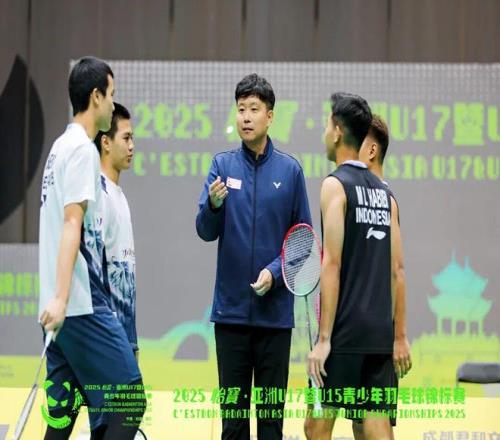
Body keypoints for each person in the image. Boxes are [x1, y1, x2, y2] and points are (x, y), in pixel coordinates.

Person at [196, 73, 312, 439]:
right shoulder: (222, 166)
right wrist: (213, 206)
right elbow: (205, 231)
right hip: (230, 316)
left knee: (271, 423)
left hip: (274, 320)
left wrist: (274, 274)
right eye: (241, 109)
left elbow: (303, 242)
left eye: (254, 109)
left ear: (270, 116)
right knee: (232, 424)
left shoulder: (290, 171)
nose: (245, 117)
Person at [38, 56, 145, 440]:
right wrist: (64, 298)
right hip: (79, 305)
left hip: (56, 311)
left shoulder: (58, 148)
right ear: (96, 96)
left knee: (61, 422)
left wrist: (55, 299)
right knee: (129, 400)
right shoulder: (82, 150)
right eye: (111, 95)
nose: (113, 105)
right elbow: (71, 223)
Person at [305, 93, 404, 440]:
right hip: (379, 333)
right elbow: (396, 271)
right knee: (375, 427)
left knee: (316, 427)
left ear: (336, 131)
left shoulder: (335, 185)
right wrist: (396, 335)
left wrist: (324, 340)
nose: (324, 132)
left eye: (326, 124)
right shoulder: (385, 195)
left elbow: (331, 263)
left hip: (344, 333)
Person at [89, 103, 140, 437]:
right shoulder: (98, 195)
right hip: (103, 334)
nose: (132, 146)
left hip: (121, 334)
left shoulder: (118, 195)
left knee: (108, 424)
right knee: (127, 409)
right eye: (126, 137)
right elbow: (95, 271)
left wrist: (132, 343)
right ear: (106, 142)